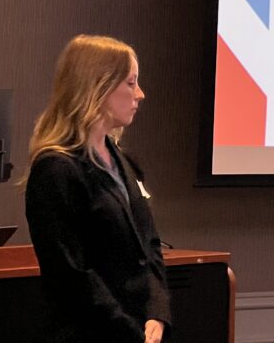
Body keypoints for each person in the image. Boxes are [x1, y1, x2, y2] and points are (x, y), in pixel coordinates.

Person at [24, 35, 170, 343]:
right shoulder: (56, 170)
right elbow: (71, 274)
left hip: (143, 329)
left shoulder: (124, 161)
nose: (140, 94)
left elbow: (150, 245)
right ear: (97, 88)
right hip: (92, 333)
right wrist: (128, 331)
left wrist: (157, 313)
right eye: (131, 83)